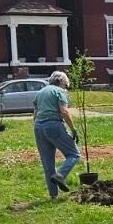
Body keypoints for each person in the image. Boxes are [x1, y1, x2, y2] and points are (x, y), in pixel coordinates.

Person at [32, 71, 81, 200]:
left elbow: (35, 114)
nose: (65, 87)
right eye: (65, 84)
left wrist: (39, 129)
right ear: (60, 81)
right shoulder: (59, 92)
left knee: (48, 163)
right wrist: (73, 129)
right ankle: (60, 175)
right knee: (74, 154)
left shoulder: (40, 93)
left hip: (38, 127)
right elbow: (64, 111)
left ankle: (53, 196)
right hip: (53, 125)